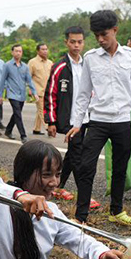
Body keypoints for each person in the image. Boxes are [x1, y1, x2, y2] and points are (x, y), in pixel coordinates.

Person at [68, 9, 131, 226]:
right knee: (86, 166)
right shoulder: (91, 58)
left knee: (121, 168)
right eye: (97, 36)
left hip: (122, 121)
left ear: (115, 30)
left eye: (104, 34)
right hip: (99, 122)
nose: (101, 40)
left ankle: (116, 210)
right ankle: (81, 216)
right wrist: (77, 124)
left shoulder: (130, 56)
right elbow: (83, 94)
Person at [43, 26, 98, 210]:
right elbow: (51, 94)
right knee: (79, 159)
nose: (76, 45)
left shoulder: (87, 64)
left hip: (86, 118)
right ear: (66, 42)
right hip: (70, 120)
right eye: (72, 41)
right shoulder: (59, 66)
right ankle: (84, 196)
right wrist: (51, 120)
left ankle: (58, 186)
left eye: (80, 42)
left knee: (73, 156)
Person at [0, 44, 39, 142]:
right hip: (12, 94)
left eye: (20, 51)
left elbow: (29, 81)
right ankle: (23, 135)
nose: (18, 53)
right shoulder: (7, 65)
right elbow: (2, 80)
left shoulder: (25, 67)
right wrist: (0, 95)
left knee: (16, 114)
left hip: (22, 95)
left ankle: (8, 131)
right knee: (18, 114)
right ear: (12, 52)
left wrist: (34, 93)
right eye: (16, 51)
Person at [28, 43, 53, 135]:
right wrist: (30, 89)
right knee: (42, 110)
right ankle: (48, 127)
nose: (45, 51)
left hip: (48, 91)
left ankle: (36, 129)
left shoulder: (50, 63)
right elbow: (28, 77)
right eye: (43, 49)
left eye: (46, 49)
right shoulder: (32, 62)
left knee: (40, 110)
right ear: (38, 51)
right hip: (38, 91)